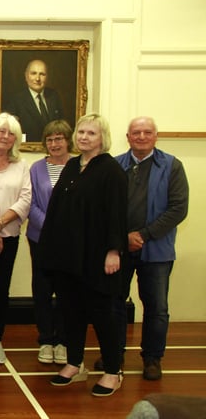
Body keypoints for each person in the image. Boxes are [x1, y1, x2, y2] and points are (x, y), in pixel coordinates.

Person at [39, 113, 128, 397]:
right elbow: (55, 211)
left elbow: (117, 214)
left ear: (102, 138)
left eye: (91, 133)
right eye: (81, 132)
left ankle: (113, 371)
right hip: (67, 257)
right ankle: (75, 364)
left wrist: (114, 251)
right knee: (71, 313)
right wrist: (48, 250)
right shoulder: (72, 166)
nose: (84, 137)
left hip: (97, 256)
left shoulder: (111, 170)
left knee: (103, 315)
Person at [102, 116, 188, 380]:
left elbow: (178, 208)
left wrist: (144, 234)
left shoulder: (172, 166)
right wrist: (122, 238)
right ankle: (113, 357)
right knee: (113, 303)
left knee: (156, 307)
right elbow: (105, 207)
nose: (141, 137)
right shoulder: (114, 165)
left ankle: (152, 358)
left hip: (157, 250)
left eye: (146, 132)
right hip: (120, 249)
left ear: (155, 136)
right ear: (127, 137)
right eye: (135, 132)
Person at [0, 113, 31, 364]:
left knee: (1, 290)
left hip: (9, 236)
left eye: (11, 132)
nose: (5, 136)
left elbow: (25, 200)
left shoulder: (22, 166)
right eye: (1, 131)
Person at [27, 120, 73, 365]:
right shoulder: (36, 168)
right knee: (42, 291)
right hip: (41, 239)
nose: (54, 144)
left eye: (59, 138)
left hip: (70, 242)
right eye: (50, 139)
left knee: (67, 292)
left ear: (68, 140)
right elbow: (30, 203)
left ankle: (64, 341)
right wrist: (51, 229)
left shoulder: (79, 166)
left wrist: (65, 231)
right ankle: (46, 339)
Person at [3, 59, 64, 142]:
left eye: (42, 74)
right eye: (33, 73)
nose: (37, 78)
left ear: (47, 77)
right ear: (26, 76)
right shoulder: (15, 100)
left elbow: (61, 126)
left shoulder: (54, 96)